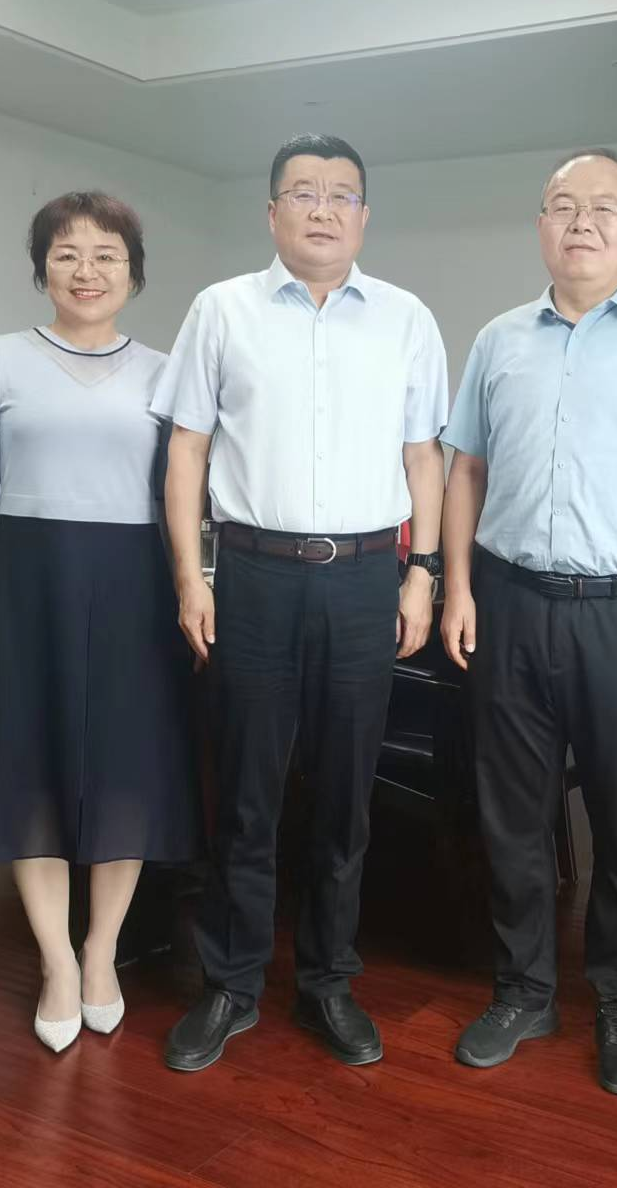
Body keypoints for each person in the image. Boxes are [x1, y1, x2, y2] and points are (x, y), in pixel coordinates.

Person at [154, 134, 448, 1072]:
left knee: (346, 797)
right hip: (254, 576)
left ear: (364, 215)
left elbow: (424, 459)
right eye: (304, 192)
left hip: (365, 578)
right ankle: (232, 983)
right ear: (272, 211)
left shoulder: (406, 319)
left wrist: (422, 573)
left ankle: (328, 981)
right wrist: (189, 576)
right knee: (246, 792)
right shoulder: (222, 310)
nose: (323, 209)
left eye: (341, 194)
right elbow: (187, 451)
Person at [440, 148, 617, 1095]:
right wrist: (458, 589)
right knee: (512, 813)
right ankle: (524, 991)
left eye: (605, 208)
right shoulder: (497, 340)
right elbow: (466, 470)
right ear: (541, 226)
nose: (583, 222)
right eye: (564, 206)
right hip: (509, 600)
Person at [0, 191, 203, 1053]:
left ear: (133, 272)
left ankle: (101, 952)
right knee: (32, 763)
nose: (87, 271)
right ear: (42, 269)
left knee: (127, 771)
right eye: (66, 254)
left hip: (136, 584)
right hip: (31, 580)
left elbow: (184, 493)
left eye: (106, 256)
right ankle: (56, 960)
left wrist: (188, 586)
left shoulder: (167, 371)